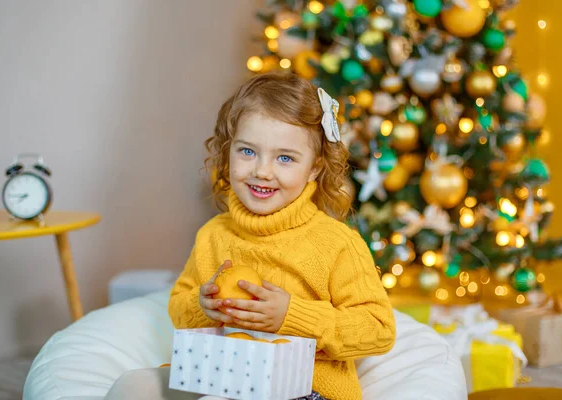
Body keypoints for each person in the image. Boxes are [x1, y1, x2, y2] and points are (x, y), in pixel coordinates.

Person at [167, 72, 396, 400]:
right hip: (224, 379)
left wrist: (292, 317)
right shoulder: (213, 236)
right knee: (136, 387)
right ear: (228, 151)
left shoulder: (336, 244)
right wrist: (204, 305)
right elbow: (178, 308)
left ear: (314, 168)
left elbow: (378, 330)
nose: (262, 170)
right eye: (247, 152)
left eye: (285, 158)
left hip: (309, 390)